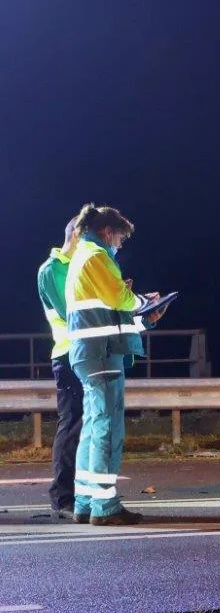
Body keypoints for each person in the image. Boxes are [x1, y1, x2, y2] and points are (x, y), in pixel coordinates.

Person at [65, 203, 167, 525]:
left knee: (94, 428)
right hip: (102, 354)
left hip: (90, 350)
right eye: (120, 239)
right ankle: (105, 506)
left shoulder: (83, 257)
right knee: (108, 429)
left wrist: (144, 320)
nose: (120, 245)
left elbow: (105, 314)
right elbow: (118, 300)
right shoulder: (96, 256)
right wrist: (143, 303)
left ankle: (85, 500)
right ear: (109, 232)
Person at [36, 216, 83, 519]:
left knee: (82, 428)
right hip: (68, 355)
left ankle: (78, 495)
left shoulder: (79, 267)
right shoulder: (52, 269)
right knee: (71, 427)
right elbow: (73, 314)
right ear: (77, 235)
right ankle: (63, 497)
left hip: (86, 354)